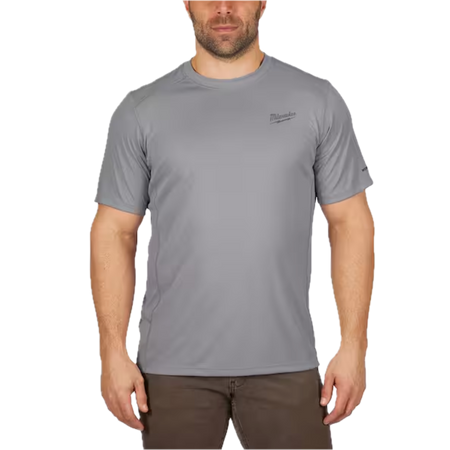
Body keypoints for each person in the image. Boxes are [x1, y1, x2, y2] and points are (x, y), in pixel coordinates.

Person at [88, 0, 377, 449]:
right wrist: (111, 351)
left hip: (287, 363)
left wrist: (354, 346)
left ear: (264, 0)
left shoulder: (317, 100)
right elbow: (113, 231)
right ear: (185, 2)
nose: (223, 8)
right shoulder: (140, 109)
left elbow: (350, 223)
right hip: (170, 371)